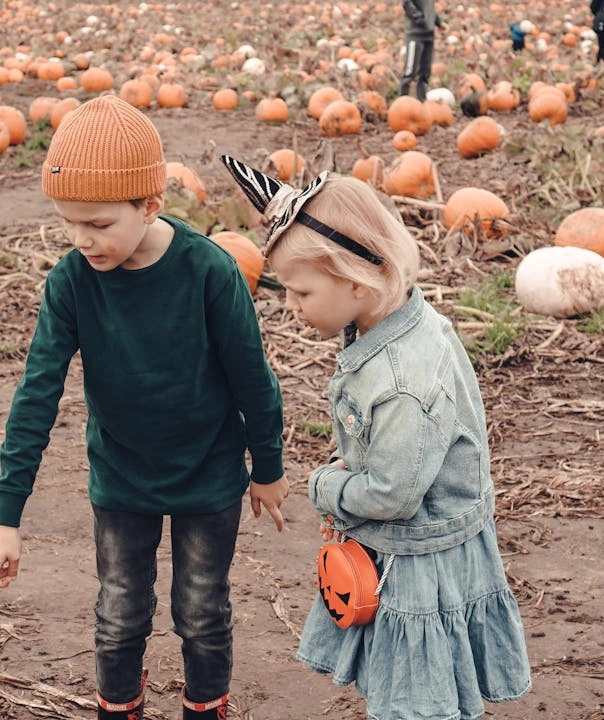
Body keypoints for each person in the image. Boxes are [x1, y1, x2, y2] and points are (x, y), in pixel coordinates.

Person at [0, 95, 290, 720]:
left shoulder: (210, 271)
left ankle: (206, 706)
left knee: (201, 612)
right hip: (121, 477)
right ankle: (118, 707)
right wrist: (6, 519)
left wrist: (269, 467)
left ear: (149, 205)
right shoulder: (71, 281)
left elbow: (253, 377)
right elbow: (36, 395)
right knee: (120, 612)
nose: (81, 239)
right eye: (69, 222)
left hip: (209, 473)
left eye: (97, 224)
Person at [221, 157, 533, 720]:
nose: (290, 308)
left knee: (415, 699)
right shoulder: (398, 324)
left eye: (301, 293)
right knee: (417, 683)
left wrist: (327, 487)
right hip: (421, 541)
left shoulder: (402, 383)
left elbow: (391, 494)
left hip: (420, 558)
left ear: (358, 280)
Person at [400, 0, 443, 101]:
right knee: (410, 72)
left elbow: (429, 9)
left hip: (429, 35)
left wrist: (438, 22)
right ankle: (402, 102)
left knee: (425, 73)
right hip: (415, 34)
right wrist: (420, 19)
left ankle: (422, 102)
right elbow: (407, 3)